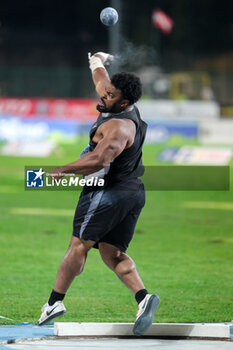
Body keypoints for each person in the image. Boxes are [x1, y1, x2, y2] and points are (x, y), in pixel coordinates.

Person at [38, 51, 160, 336]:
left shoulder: (119, 127)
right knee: (111, 252)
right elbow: (101, 79)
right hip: (132, 192)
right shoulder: (116, 102)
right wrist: (96, 60)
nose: (104, 95)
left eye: (110, 95)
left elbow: (99, 160)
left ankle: (54, 303)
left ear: (124, 102)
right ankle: (143, 299)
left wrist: (61, 170)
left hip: (107, 193)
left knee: (79, 246)